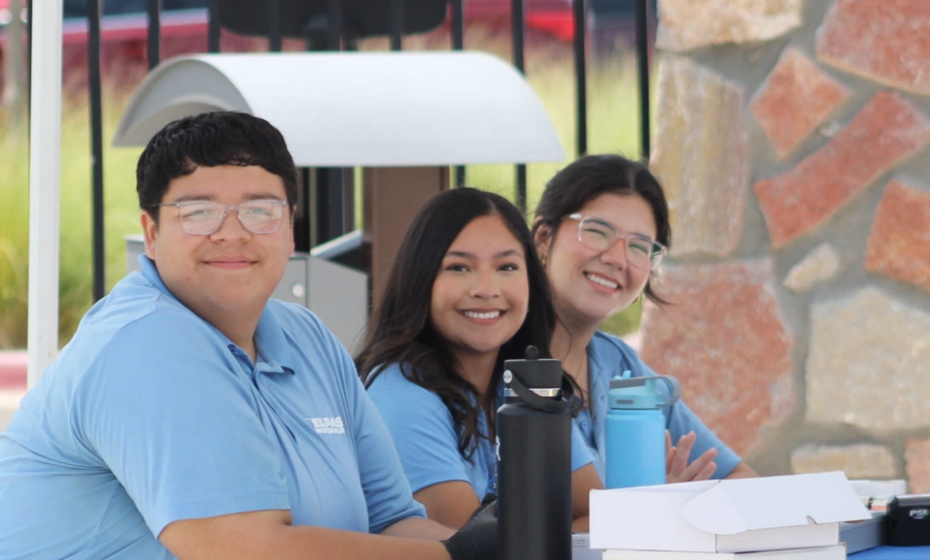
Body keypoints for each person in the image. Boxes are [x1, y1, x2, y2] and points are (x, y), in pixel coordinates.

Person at [0, 112, 495, 560]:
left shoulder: (307, 336)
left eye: (260, 211)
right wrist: (460, 556)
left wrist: (498, 543)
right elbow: (245, 551)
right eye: (198, 212)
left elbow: (389, 522)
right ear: (150, 234)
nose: (232, 233)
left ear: (290, 231)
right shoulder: (143, 341)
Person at [356, 187, 602, 531]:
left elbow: (598, 517)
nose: (486, 289)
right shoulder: (401, 392)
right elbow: (474, 545)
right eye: (458, 267)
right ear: (421, 279)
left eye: (507, 266)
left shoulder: (528, 381)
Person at [531, 154, 758, 484]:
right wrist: (656, 509)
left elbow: (741, 478)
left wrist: (673, 505)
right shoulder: (505, 362)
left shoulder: (618, 363)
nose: (617, 259)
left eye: (640, 247)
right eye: (597, 231)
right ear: (543, 238)